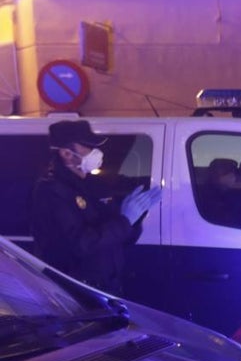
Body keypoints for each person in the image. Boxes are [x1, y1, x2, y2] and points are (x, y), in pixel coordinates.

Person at [30, 119, 161, 295]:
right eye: (88, 147)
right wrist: (124, 220)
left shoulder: (93, 185)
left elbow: (117, 237)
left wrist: (134, 220)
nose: (96, 152)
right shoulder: (51, 191)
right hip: (76, 291)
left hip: (106, 285)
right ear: (66, 154)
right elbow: (81, 244)